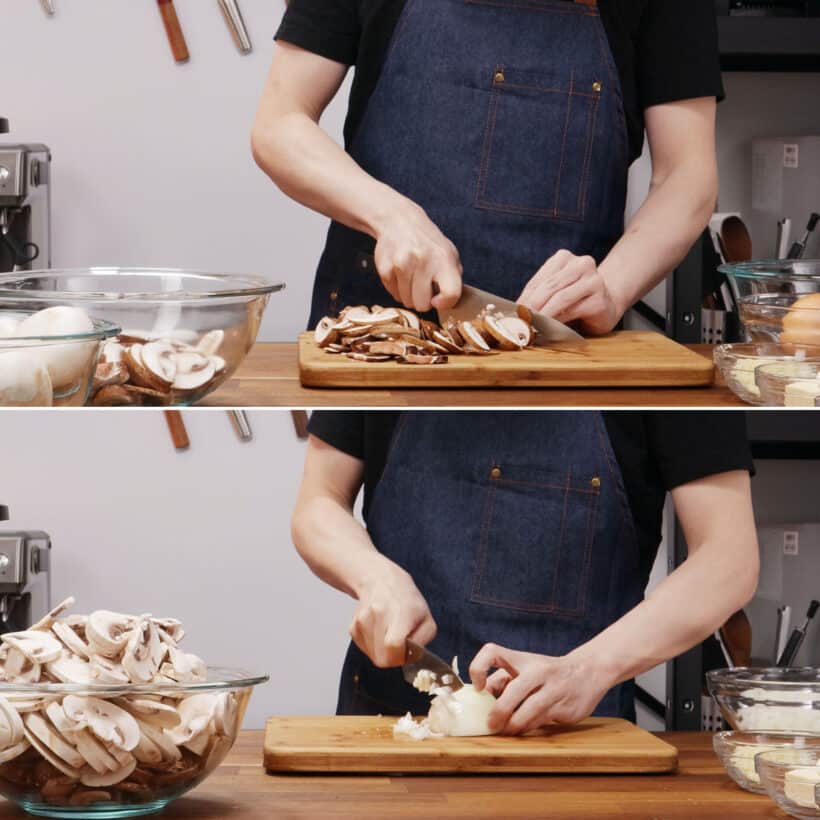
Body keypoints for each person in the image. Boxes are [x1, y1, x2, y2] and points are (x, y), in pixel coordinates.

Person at [253, 0, 723, 333]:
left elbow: (688, 176)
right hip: (378, 336)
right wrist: (393, 218)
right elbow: (280, 123)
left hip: (558, 344)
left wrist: (613, 289)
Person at [291, 412, 759, 733]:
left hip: (567, 755)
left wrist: (587, 669)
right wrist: (374, 576)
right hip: (380, 736)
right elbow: (318, 500)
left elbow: (728, 559)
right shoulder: (396, 342)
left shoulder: (657, 370)